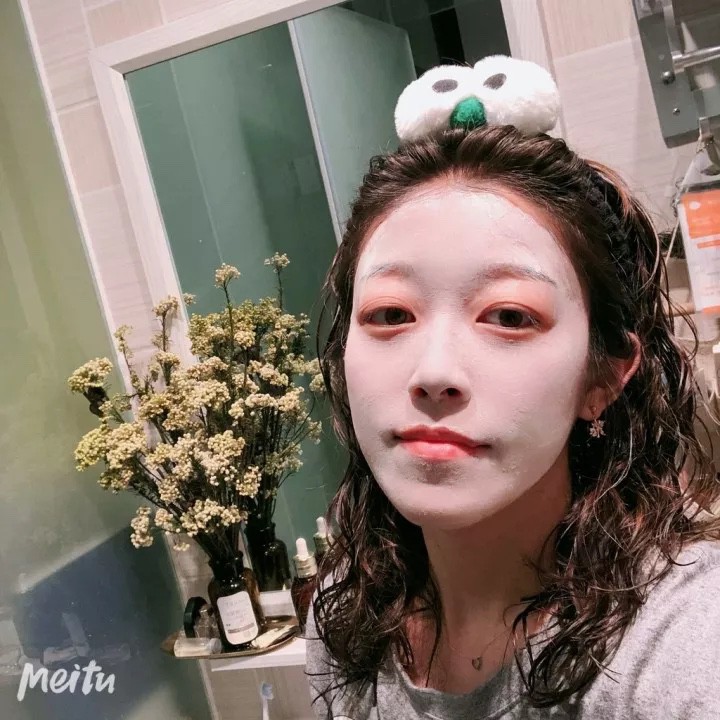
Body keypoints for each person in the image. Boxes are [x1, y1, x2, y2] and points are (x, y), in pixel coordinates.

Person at [304, 55, 720, 719]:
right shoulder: (343, 617)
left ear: (603, 376)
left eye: (508, 317)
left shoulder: (684, 644)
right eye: (390, 314)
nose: (434, 372)